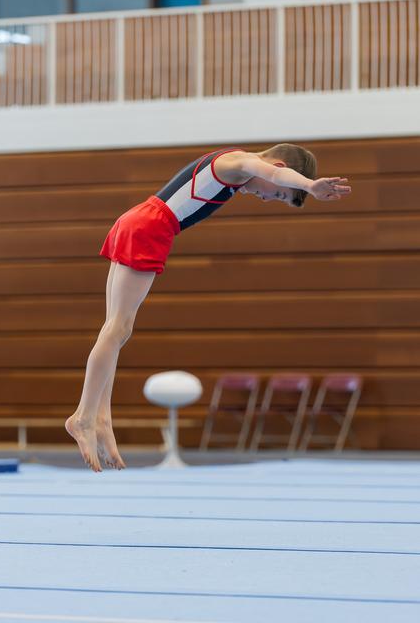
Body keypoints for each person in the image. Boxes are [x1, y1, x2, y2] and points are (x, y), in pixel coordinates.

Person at [65, 143, 351, 472]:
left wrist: (296, 186)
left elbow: (271, 175)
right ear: (282, 167)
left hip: (138, 219)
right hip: (150, 227)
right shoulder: (239, 163)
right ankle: (84, 416)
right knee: (119, 329)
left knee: (113, 331)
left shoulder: (233, 167)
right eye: (279, 195)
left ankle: (101, 416)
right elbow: (271, 172)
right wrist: (309, 185)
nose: (268, 198)